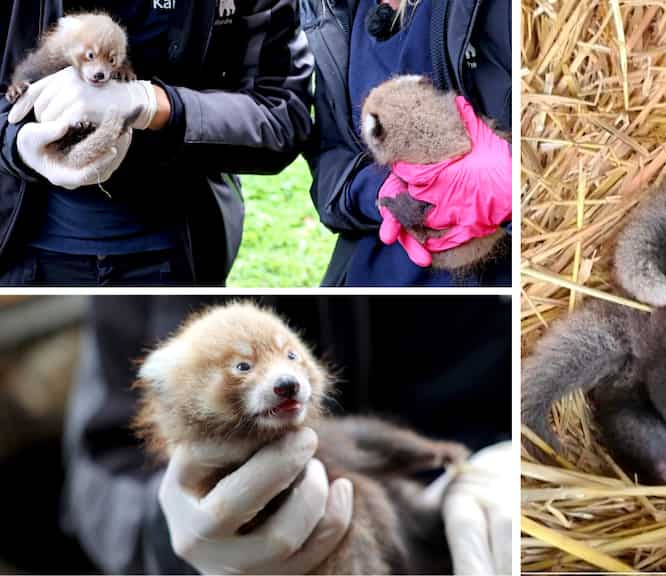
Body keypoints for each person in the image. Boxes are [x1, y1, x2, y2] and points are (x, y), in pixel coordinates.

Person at [61, 295, 514, 573]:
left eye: (293, 359)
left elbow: (358, 438)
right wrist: (174, 541)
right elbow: (97, 470)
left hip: (473, 523)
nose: (286, 379)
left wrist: (504, 459)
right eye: (242, 368)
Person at [0, 0, 313, 286]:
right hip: (24, 253)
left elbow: (281, 119)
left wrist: (157, 106)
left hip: (176, 252)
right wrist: (16, 143)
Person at [301, 0, 512, 286]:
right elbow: (331, 164)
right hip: (370, 278)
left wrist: (509, 185)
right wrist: (382, 195)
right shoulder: (332, 8)